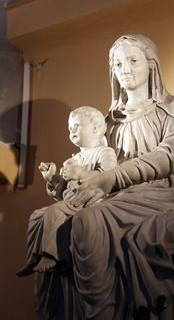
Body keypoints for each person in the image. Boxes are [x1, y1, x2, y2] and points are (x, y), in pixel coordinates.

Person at [21, 35, 174, 320]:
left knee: (90, 221)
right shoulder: (108, 121)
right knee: (49, 218)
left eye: (133, 61)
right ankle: (61, 312)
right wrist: (70, 184)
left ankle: (104, 311)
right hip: (117, 195)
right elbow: (96, 170)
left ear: (151, 65)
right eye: (118, 63)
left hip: (162, 193)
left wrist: (113, 179)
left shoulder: (171, 108)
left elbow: (172, 155)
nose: (125, 69)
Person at [18, 106, 117, 275]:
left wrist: (79, 173)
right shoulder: (73, 159)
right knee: (36, 216)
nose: (72, 131)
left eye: (77, 126)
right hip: (71, 202)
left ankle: (51, 256)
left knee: (54, 212)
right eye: (70, 128)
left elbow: (108, 177)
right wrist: (53, 180)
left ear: (96, 128)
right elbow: (64, 191)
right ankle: (34, 257)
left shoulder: (105, 153)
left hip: (91, 200)